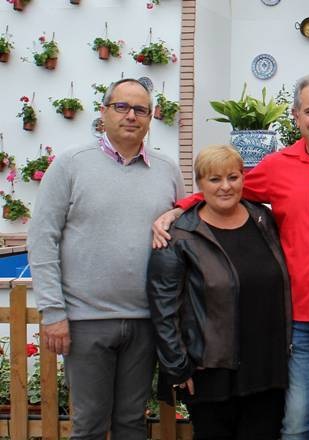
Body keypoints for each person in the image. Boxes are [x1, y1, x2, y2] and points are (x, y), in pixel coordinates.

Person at [153, 72, 309, 440]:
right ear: (296, 116)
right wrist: (180, 208)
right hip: (300, 318)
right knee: (296, 425)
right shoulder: (277, 166)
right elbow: (228, 187)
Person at [27, 78, 185, 439]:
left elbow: (183, 229)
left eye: (140, 109)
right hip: (86, 321)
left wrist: (177, 213)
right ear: (103, 112)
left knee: (132, 423)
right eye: (122, 107)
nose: (131, 116)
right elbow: (43, 239)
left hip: (145, 321)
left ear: (150, 118)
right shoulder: (70, 165)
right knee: (89, 425)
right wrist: (53, 312)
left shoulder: (166, 169)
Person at [147, 145, 291, 439]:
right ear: (200, 185)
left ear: (243, 179)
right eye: (214, 179)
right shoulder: (180, 235)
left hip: (267, 366)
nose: (225, 186)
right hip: (210, 371)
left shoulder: (263, 220)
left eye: (233, 177)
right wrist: (177, 366)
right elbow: (163, 308)